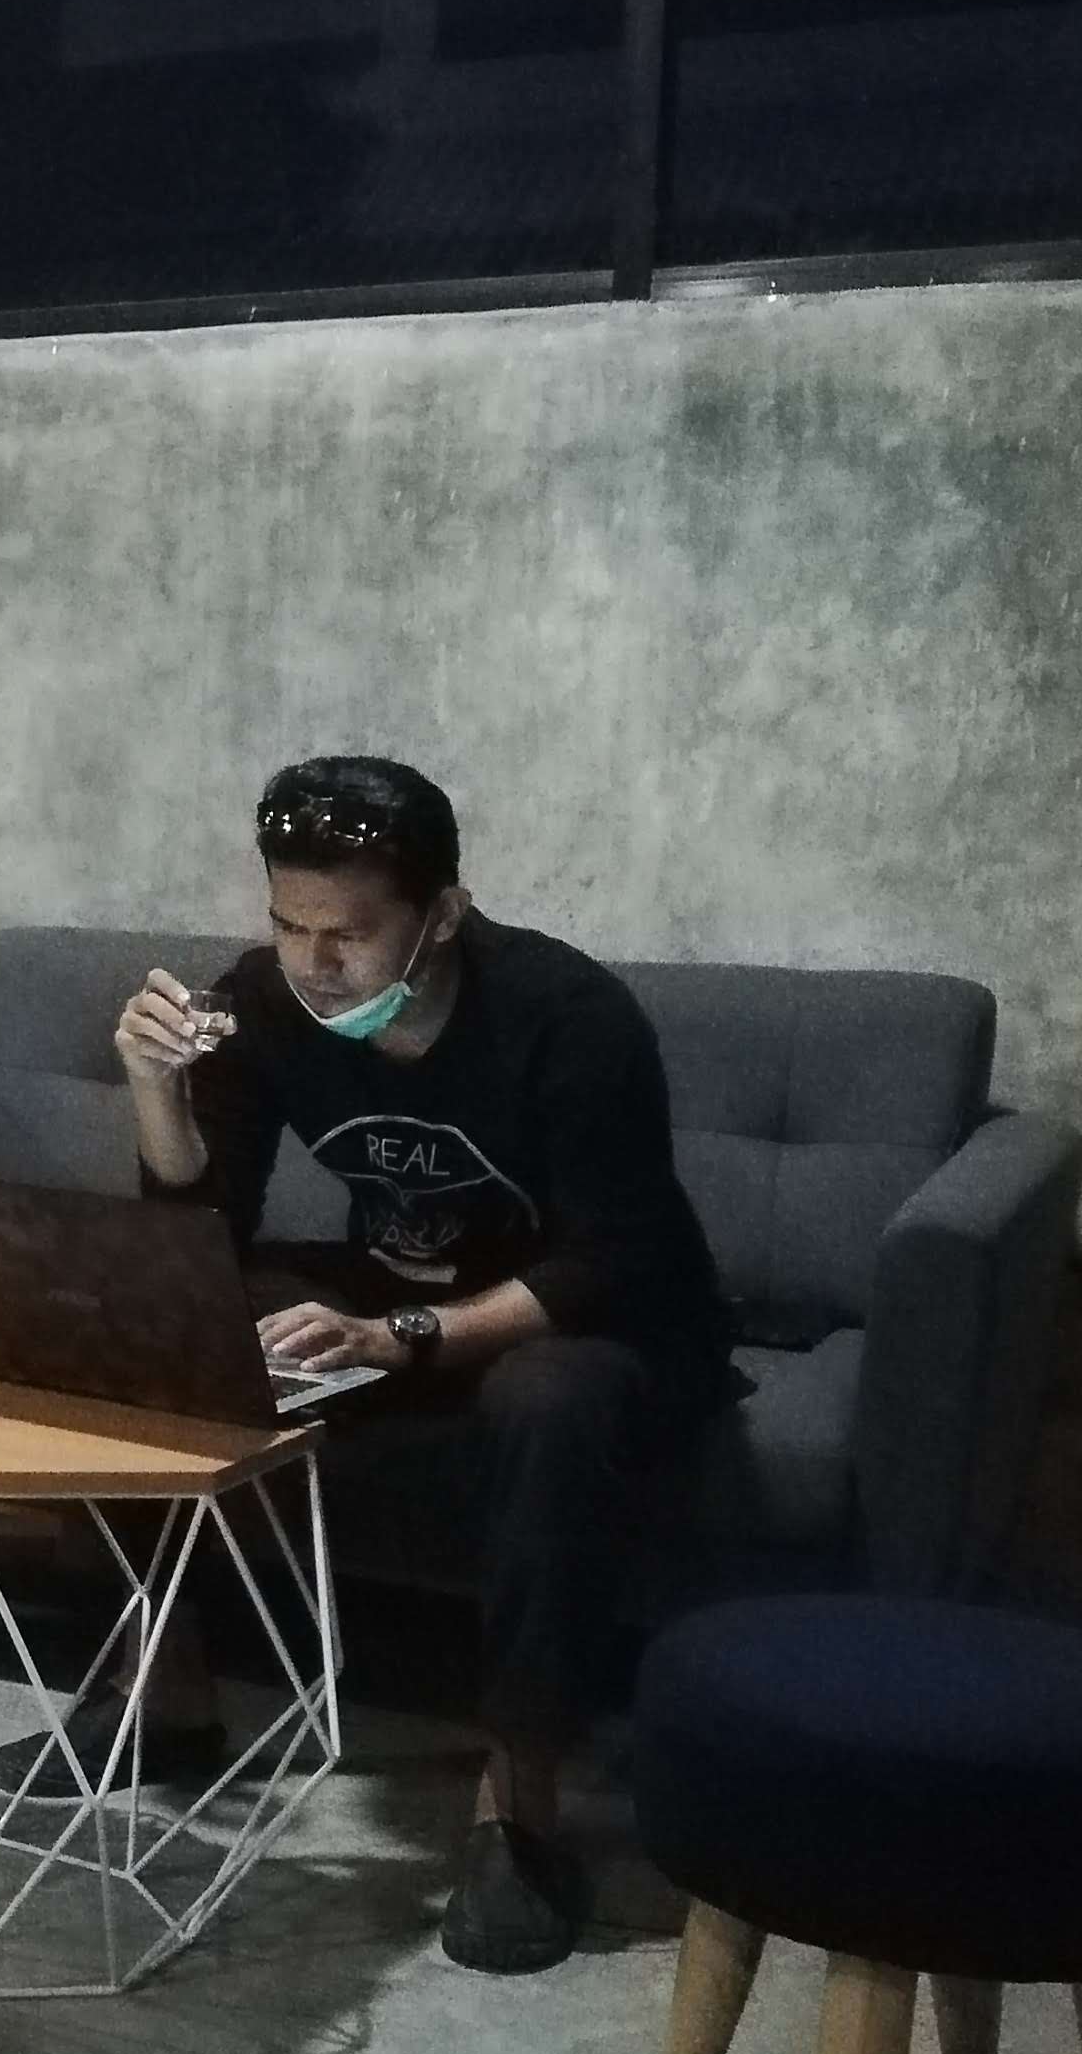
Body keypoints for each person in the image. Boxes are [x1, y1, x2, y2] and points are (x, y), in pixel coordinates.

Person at [42, 754, 737, 1975]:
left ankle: (517, 1807)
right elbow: (199, 1226)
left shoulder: (567, 1018)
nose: (314, 964)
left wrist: (402, 1337)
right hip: (399, 1292)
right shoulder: (266, 1003)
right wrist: (157, 1092)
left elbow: (605, 1262)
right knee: (161, 1314)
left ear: (442, 916)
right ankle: (165, 1689)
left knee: (544, 1400)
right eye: (288, 925)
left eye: (350, 936)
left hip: (604, 1322)